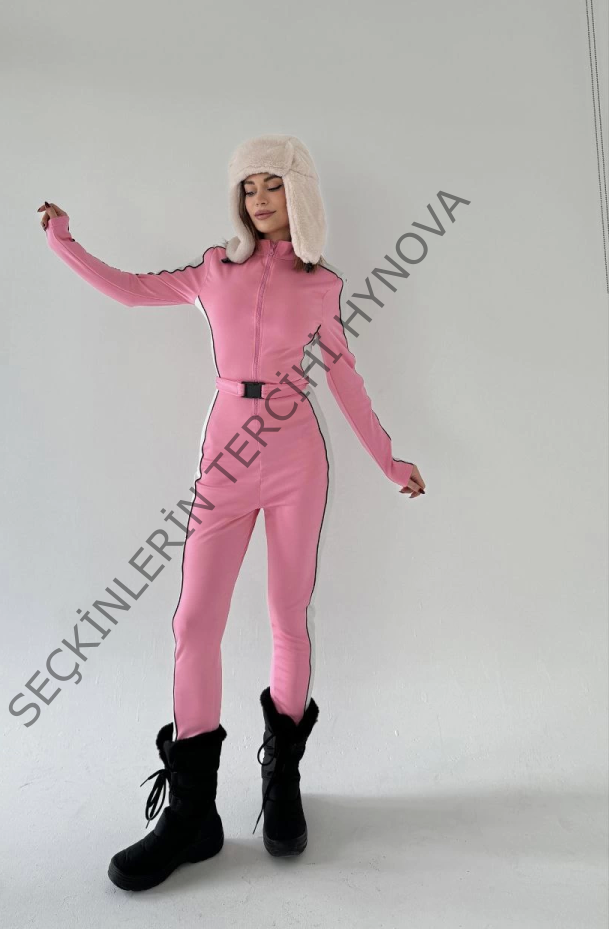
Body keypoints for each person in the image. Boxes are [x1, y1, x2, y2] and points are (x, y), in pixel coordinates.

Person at [38, 133, 426, 892]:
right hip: (225, 457)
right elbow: (129, 289)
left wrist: (390, 461)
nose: (259, 200)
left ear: (298, 194)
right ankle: (193, 814)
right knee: (193, 622)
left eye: (272, 185)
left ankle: (282, 781)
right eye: (249, 188)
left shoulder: (321, 284)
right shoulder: (214, 269)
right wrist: (64, 241)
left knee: (287, 616)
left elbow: (345, 380)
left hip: (296, 460)